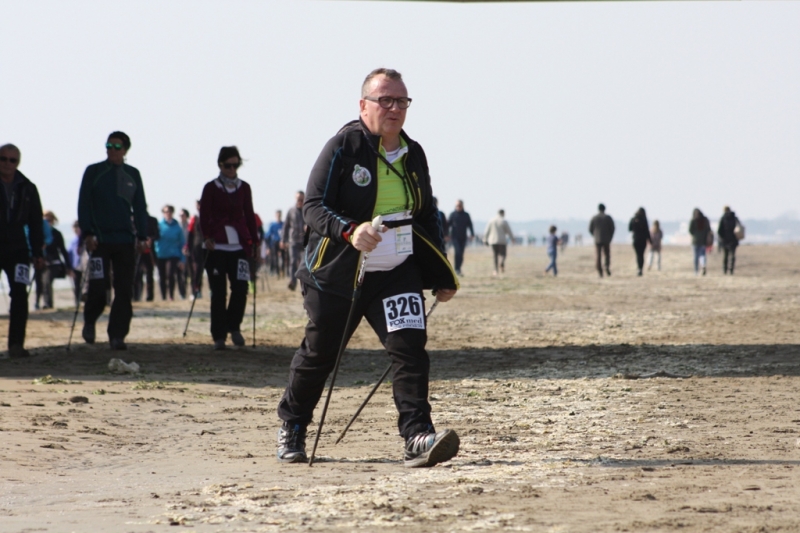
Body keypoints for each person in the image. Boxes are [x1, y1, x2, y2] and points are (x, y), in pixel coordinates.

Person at [276, 68, 460, 468]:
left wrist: (442, 275)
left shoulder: (415, 153)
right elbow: (313, 206)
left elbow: (426, 215)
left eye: (402, 101)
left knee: (409, 350)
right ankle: (292, 424)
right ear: (364, 105)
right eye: (385, 100)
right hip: (337, 274)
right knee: (320, 354)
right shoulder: (343, 146)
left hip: (396, 272)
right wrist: (350, 230)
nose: (394, 109)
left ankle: (417, 437)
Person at [78, 131, 149, 350]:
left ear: (125, 150)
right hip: (99, 240)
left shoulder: (132, 174)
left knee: (124, 289)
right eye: (109, 145)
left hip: (124, 241)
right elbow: (83, 204)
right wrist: (87, 233)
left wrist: (143, 236)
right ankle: (90, 320)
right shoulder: (94, 171)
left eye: (117, 146)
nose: (112, 150)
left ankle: (117, 335)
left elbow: (139, 208)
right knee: (98, 287)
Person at [199, 146, 258, 350]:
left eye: (235, 165)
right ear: (220, 165)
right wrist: (206, 237)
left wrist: (255, 241)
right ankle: (219, 335)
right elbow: (204, 214)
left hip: (239, 246)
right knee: (218, 292)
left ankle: (234, 328)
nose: (232, 169)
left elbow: (249, 214)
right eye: (228, 166)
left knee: (241, 288)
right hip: (217, 246)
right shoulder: (211, 187)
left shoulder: (244, 187)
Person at [0, 144, 44, 358]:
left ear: (18, 162)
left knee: (20, 294)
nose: (7, 164)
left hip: (18, 249)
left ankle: (16, 344)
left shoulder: (27, 187)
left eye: (12, 160)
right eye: (3, 159)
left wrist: (38, 253)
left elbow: (36, 223)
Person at [38, 211, 71, 309]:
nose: (47, 222)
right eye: (45, 220)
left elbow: (63, 250)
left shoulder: (57, 234)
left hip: (54, 263)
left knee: (47, 281)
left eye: (49, 220)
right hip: (42, 263)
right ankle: (39, 303)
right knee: (41, 283)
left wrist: (69, 266)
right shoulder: (40, 233)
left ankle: (48, 304)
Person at [155, 205, 186, 301]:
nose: (167, 213)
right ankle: (163, 296)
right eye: (165, 211)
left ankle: (171, 295)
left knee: (171, 274)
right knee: (162, 276)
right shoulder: (159, 226)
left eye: (169, 211)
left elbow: (182, 244)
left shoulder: (177, 227)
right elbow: (154, 240)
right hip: (161, 255)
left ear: (172, 213)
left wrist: (182, 259)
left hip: (173, 255)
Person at [281, 191, 305, 291]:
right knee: (293, 261)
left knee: (304, 263)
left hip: (305, 241)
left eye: (301, 199)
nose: (299, 201)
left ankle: (304, 284)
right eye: (298, 199)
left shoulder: (307, 210)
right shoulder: (291, 211)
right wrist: (283, 240)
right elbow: (285, 226)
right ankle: (292, 282)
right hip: (293, 240)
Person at [134, 214, 159, 302]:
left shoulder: (153, 220)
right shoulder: (134, 219)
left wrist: (150, 239)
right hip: (137, 251)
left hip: (149, 252)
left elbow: (157, 235)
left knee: (149, 274)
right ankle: (136, 296)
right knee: (136, 274)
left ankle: (150, 296)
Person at [483, 209, 514, 276]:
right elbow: (509, 231)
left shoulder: (491, 220)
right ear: (503, 213)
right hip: (502, 241)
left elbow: (487, 231)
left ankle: (495, 270)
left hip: (493, 241)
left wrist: (485, 239)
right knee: (503, 254)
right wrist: (512, 238)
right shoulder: (504, 221)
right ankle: (501, 262)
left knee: (495, 256)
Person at [448, 200, 474, 276]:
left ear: (462, 206)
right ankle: (456, 269)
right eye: (457, 205)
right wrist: (446, 234)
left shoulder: (466, 215)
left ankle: (458, 268)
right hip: (454, 237)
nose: (458, 207)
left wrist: (472, 234)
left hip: (463, 237)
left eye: (459, 205)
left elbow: (470, 225)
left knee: (461, 254)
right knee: (457, 252)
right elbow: (448, 225)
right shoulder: (452, 214)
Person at [589, 203, 615, 277]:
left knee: (598, 256)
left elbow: (590, 229)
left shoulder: (594, 218)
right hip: (606, 239)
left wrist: (595, 235)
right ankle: (606, 266)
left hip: (597, 239)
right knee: (607, 254)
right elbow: (612, 228)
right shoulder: (608, 217)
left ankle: (599, 270)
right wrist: (610, 236)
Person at [186, 200, 205, 297]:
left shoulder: (211, 217)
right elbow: (190, 234)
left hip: (209, 247)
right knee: (197, 271)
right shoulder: (195, 218)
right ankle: (196, 291)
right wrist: (188, 247)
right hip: (197, 248)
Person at [717, 206, 741, 275]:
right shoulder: (734, 218)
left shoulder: (723, 218)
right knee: (732, 255)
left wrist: (722, 238)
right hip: (734, 239)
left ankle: (725, 270)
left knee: (726, 255)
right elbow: (739, 227)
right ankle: (731, 269)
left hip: (725, 240)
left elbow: (719, 231)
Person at [628, 207, 651, 276]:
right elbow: (647, 231)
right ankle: (640, 268)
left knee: (638, 255)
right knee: (641, 255)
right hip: (643, 240)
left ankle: (639, 268)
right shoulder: (644, 219)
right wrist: (650, 240)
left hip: (636, 239)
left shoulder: (633, 219)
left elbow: (629, 229)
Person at [689, 208, 711, 276]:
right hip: (703, 241)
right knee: (702, 255)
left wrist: (695, 235)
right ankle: (703, 265)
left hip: (695, 241)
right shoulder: (705, 220)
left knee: (696, 257)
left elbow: (690, 230)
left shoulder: (693, 220)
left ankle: (696, 271)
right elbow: (708, 229)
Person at [67, 221, 84, 305]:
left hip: (84, 265)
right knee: (77, 285)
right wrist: (69, 268)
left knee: (85, 284)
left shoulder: (84, 240)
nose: (76, 230)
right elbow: (69, 255)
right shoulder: (72, 241)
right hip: (75, 266)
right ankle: (77, 301)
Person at [265, 210, 285, 276]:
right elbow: (267, 236)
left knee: (283, 258)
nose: (278, 216)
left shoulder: (283, 225)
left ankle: (283, 271)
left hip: (282, 243)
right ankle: (276, 272)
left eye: (279, 215)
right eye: (277, 215)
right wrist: (268, 247)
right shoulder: (272, 225)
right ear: (275, 215)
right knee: (274, 258)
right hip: (274, 244)